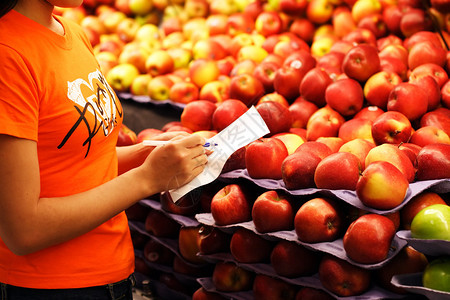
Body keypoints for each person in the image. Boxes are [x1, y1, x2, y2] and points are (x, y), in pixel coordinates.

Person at [0, 0, 209, 299]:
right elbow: (23, 230)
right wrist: (147, 178)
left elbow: (79, 162)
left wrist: (145, 156)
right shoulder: (8, 54)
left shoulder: (72, 32)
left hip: (112, 275)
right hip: (47, 287)